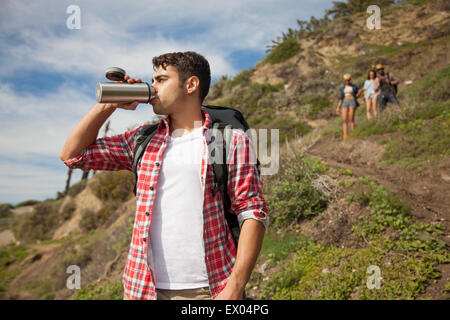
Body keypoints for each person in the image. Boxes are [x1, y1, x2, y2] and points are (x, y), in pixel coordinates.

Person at [59, 51, 269, 300]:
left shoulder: (229, 139)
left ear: (191, 85)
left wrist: (234, 287)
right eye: (153, 80)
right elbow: (73, 155)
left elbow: (252, 210)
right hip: (142, 288)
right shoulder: (142, 139)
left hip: (208, 289)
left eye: (161, 79)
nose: (152, 87)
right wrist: (109, 104)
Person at [335, 73, 360, 141]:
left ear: (350, 80)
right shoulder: (342, 88)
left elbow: (357, 95)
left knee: (351, 118)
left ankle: (353, 134)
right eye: (346, 80)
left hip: (352, 101)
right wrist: (338, 107)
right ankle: (345, 136)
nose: (347, 81)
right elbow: (341, 98)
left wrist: (360, 92)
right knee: (345, 120)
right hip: (345, 102)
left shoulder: (354, 87)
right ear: (344, 80)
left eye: (348, 80)